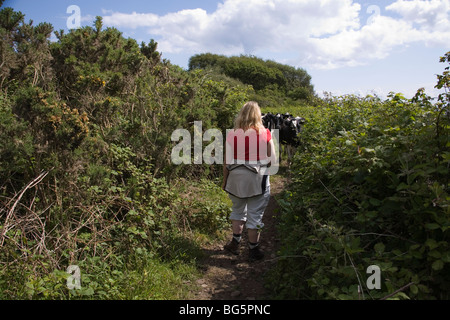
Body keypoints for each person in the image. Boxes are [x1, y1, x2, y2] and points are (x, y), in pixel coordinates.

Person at [222, 101, 277, 261]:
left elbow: (226, 163)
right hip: (257, 179)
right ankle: (253, 250)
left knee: (237, 210)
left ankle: (235, 243)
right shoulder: (265, 133)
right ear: (258, 115)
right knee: (255, 215)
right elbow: (272, 160)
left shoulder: (232, 134)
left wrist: (225, 182)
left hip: (236, 178)